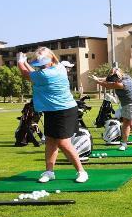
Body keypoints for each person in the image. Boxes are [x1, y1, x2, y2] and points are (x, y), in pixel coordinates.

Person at [17, 47, 88, 183]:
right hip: (51, 110)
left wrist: (20, 61)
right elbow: (34, 74)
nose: (41, 67)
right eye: (39, 65)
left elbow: (27, 75)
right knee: (50, 141)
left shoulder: (48, 74)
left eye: (43, 64)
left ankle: (81, 171)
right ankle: (49, 172)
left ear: (51, 59)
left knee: (63, 143)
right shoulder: (57, 67)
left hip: (65, 111)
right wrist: (26, 62)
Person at [92, 68, 132, 151]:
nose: (113, 80)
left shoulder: (122, 83)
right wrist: (98, 78)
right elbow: (107, 79)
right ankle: (124, 144)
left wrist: (97, 81)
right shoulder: (123, 77)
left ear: (118, 76)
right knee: (125, 124)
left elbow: (107, 85)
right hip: (125, 104)